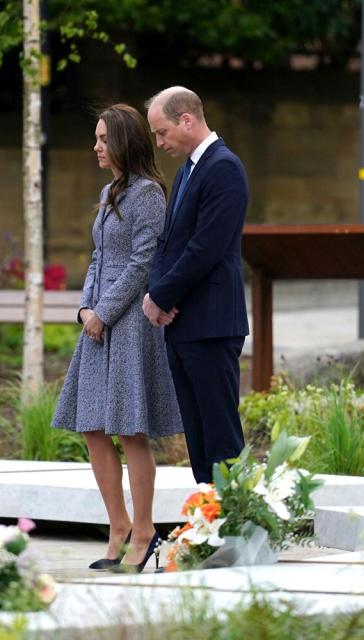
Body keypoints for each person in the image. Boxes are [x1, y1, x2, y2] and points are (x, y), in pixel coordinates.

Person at [52, 103, 182, 573]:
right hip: (98, 323)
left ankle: (144, 530)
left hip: (129, 326)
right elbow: (98, 257)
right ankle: (118, 526)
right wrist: (86, 307)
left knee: (130, 430)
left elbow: (142, 263)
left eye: (104, 139)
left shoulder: (148, 194)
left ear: (125, 141)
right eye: (96, 138)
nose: (97, 146)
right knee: (91, 425)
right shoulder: (110, 191)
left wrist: (104, 312)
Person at [142, 86, 250, 484]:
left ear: (187, 120)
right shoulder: (188, 169)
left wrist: (162, 295)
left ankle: (236, 528)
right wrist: (156, 293)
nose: (159, 142)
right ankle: (209, 522)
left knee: (221, 437)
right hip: (183, 324)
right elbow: (167, 242)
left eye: (162, 132)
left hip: (211, 323)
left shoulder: (224, 168)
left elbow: (207, 247)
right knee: (199, 439)